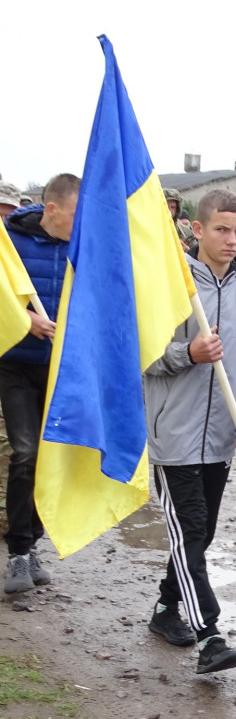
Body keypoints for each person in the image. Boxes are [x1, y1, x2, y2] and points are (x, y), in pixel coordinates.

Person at [143, 189, 236, 674]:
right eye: (221, 229)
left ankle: (164, 608)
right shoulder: (169, 289)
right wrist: (186, 354)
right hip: (173, 438)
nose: (231, 239)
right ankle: (211, 635)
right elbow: (140, 358)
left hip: (221, 440)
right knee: (190, 529)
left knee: (200, 534)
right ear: (197, 230)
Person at [0, 174, 79, 594]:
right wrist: (23, 319)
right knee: (25, 452)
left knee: (51, 459)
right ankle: (16, 553)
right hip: (14, 366)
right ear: (51, 210)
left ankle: (32, 545)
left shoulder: (81, 247)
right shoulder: (9, 241)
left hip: (61, 371)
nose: (79, 225)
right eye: (73, 216)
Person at [164, 188, 196, 253]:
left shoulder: (186, 233)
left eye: (172, 207)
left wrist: (187, 252)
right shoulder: (148, 229)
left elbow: (197, 257)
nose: (169, 211)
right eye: (165, 206)